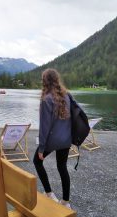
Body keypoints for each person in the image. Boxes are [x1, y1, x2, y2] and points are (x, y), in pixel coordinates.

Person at [33, 68, 72, 209]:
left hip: (52, 140)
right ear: (57, 80)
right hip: (66, 139)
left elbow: (45, 127)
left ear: (45, 81)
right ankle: (66, 202)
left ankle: (49, 193)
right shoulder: (67, 96)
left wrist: (42, 148)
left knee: (37, 161)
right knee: (62, 168)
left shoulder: (46, 99)